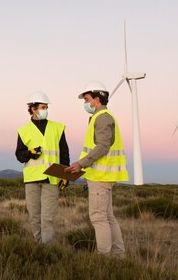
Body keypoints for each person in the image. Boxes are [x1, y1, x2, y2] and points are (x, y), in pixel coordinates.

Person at [65, 81, 128, 257]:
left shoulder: (102, 118)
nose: (85, 103)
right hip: (102, 176)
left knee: (99, 218)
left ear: (97, 99)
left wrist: (80, 164)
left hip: (101, 177)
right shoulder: (101, 117)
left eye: (86, 99)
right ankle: (118, 256)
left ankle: (105, 258)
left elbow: (102, 147)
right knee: (108, 217)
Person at [15, 91, 70, 245]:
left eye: (46, 107)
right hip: (32, 179)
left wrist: (65, 176)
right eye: (43, 107)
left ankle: (48, 250)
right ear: (33, 109)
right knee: (34, 216)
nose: (46, 110)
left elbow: (64, 154)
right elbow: (19, 155)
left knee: (48, 218)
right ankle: (39, 246)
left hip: (52, 178)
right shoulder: (23, 130)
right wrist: (29, 153)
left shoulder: (57, 128)